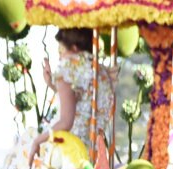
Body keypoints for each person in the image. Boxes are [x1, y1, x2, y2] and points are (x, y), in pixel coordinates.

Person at [30, 28, 117, 160]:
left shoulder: (68, 68)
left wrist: (37, 141)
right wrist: (52, 85)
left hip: (71, 154)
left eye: (61, 50)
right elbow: (83, 102)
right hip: (94, 154)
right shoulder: (101, 71)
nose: (60, 56)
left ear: (74, 48)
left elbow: (65, 122)